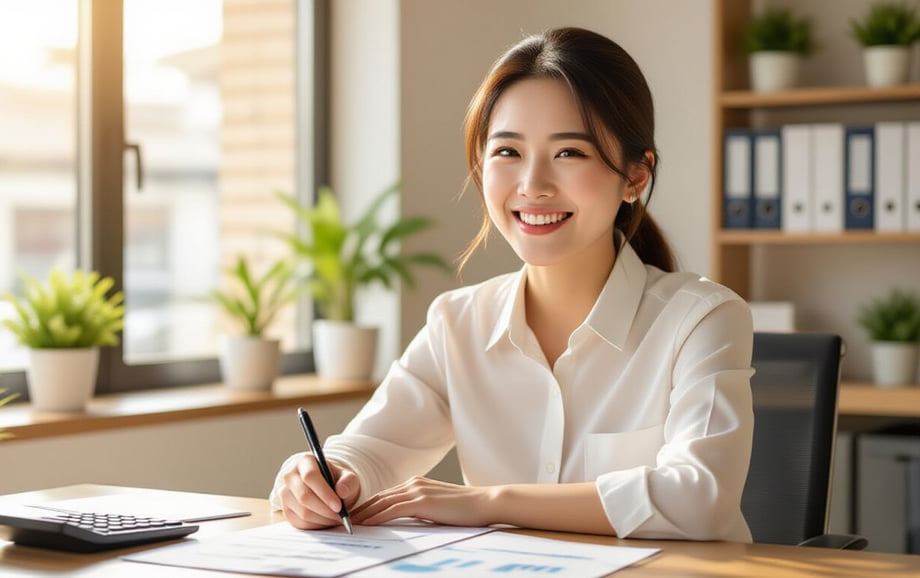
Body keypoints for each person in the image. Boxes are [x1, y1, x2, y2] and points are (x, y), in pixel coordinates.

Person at [270, 26, 754, 542]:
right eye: (507, 153)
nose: (533, 186)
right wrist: (317, 477)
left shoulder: (701, 318)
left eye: (570, 153)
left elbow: (699, 498)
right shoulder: (457, 323)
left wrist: (487, 503)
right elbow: (370, 450)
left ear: (635, 176)